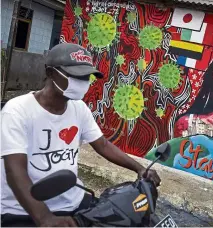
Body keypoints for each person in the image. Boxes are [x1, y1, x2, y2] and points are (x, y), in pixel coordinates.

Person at [1, 43, 161, 227]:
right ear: (51, 73)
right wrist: (44, 218)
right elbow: (14, 171)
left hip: (74, 200)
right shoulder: (16, 111)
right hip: (24, 209)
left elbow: (102, 145)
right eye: (75, 75)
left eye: (86, 76)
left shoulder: (78, 108)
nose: (82, 81)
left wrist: (140, 168)